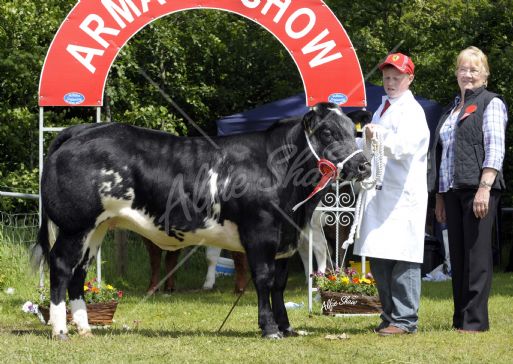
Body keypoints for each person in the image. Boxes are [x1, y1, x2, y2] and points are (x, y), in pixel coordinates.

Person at [428, 46, 508, 332]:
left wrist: (485, 187)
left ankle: (475, 321)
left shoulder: (491, 103)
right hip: (451, 190)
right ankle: (459, 319)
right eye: (463, 69)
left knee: (476, 255)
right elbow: (442, 155)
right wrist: (439, 195)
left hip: (478, 188)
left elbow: (495, 148)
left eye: (474, 69)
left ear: (485, 75)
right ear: (456, 73)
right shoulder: (452, 110)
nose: (468, 74)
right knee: (458, 258)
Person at [354, 53, 430, 336]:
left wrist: (377, 138)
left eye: (397, 77)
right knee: (379, 255)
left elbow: (406, 146)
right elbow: (372, 146)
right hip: (381, 193)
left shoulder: (412, 111)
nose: (391, 82)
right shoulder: (382, 109)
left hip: (402, 196)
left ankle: (405, 319)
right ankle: (389, 315)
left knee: (403, 257)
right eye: (387, 77)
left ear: (409, 79)